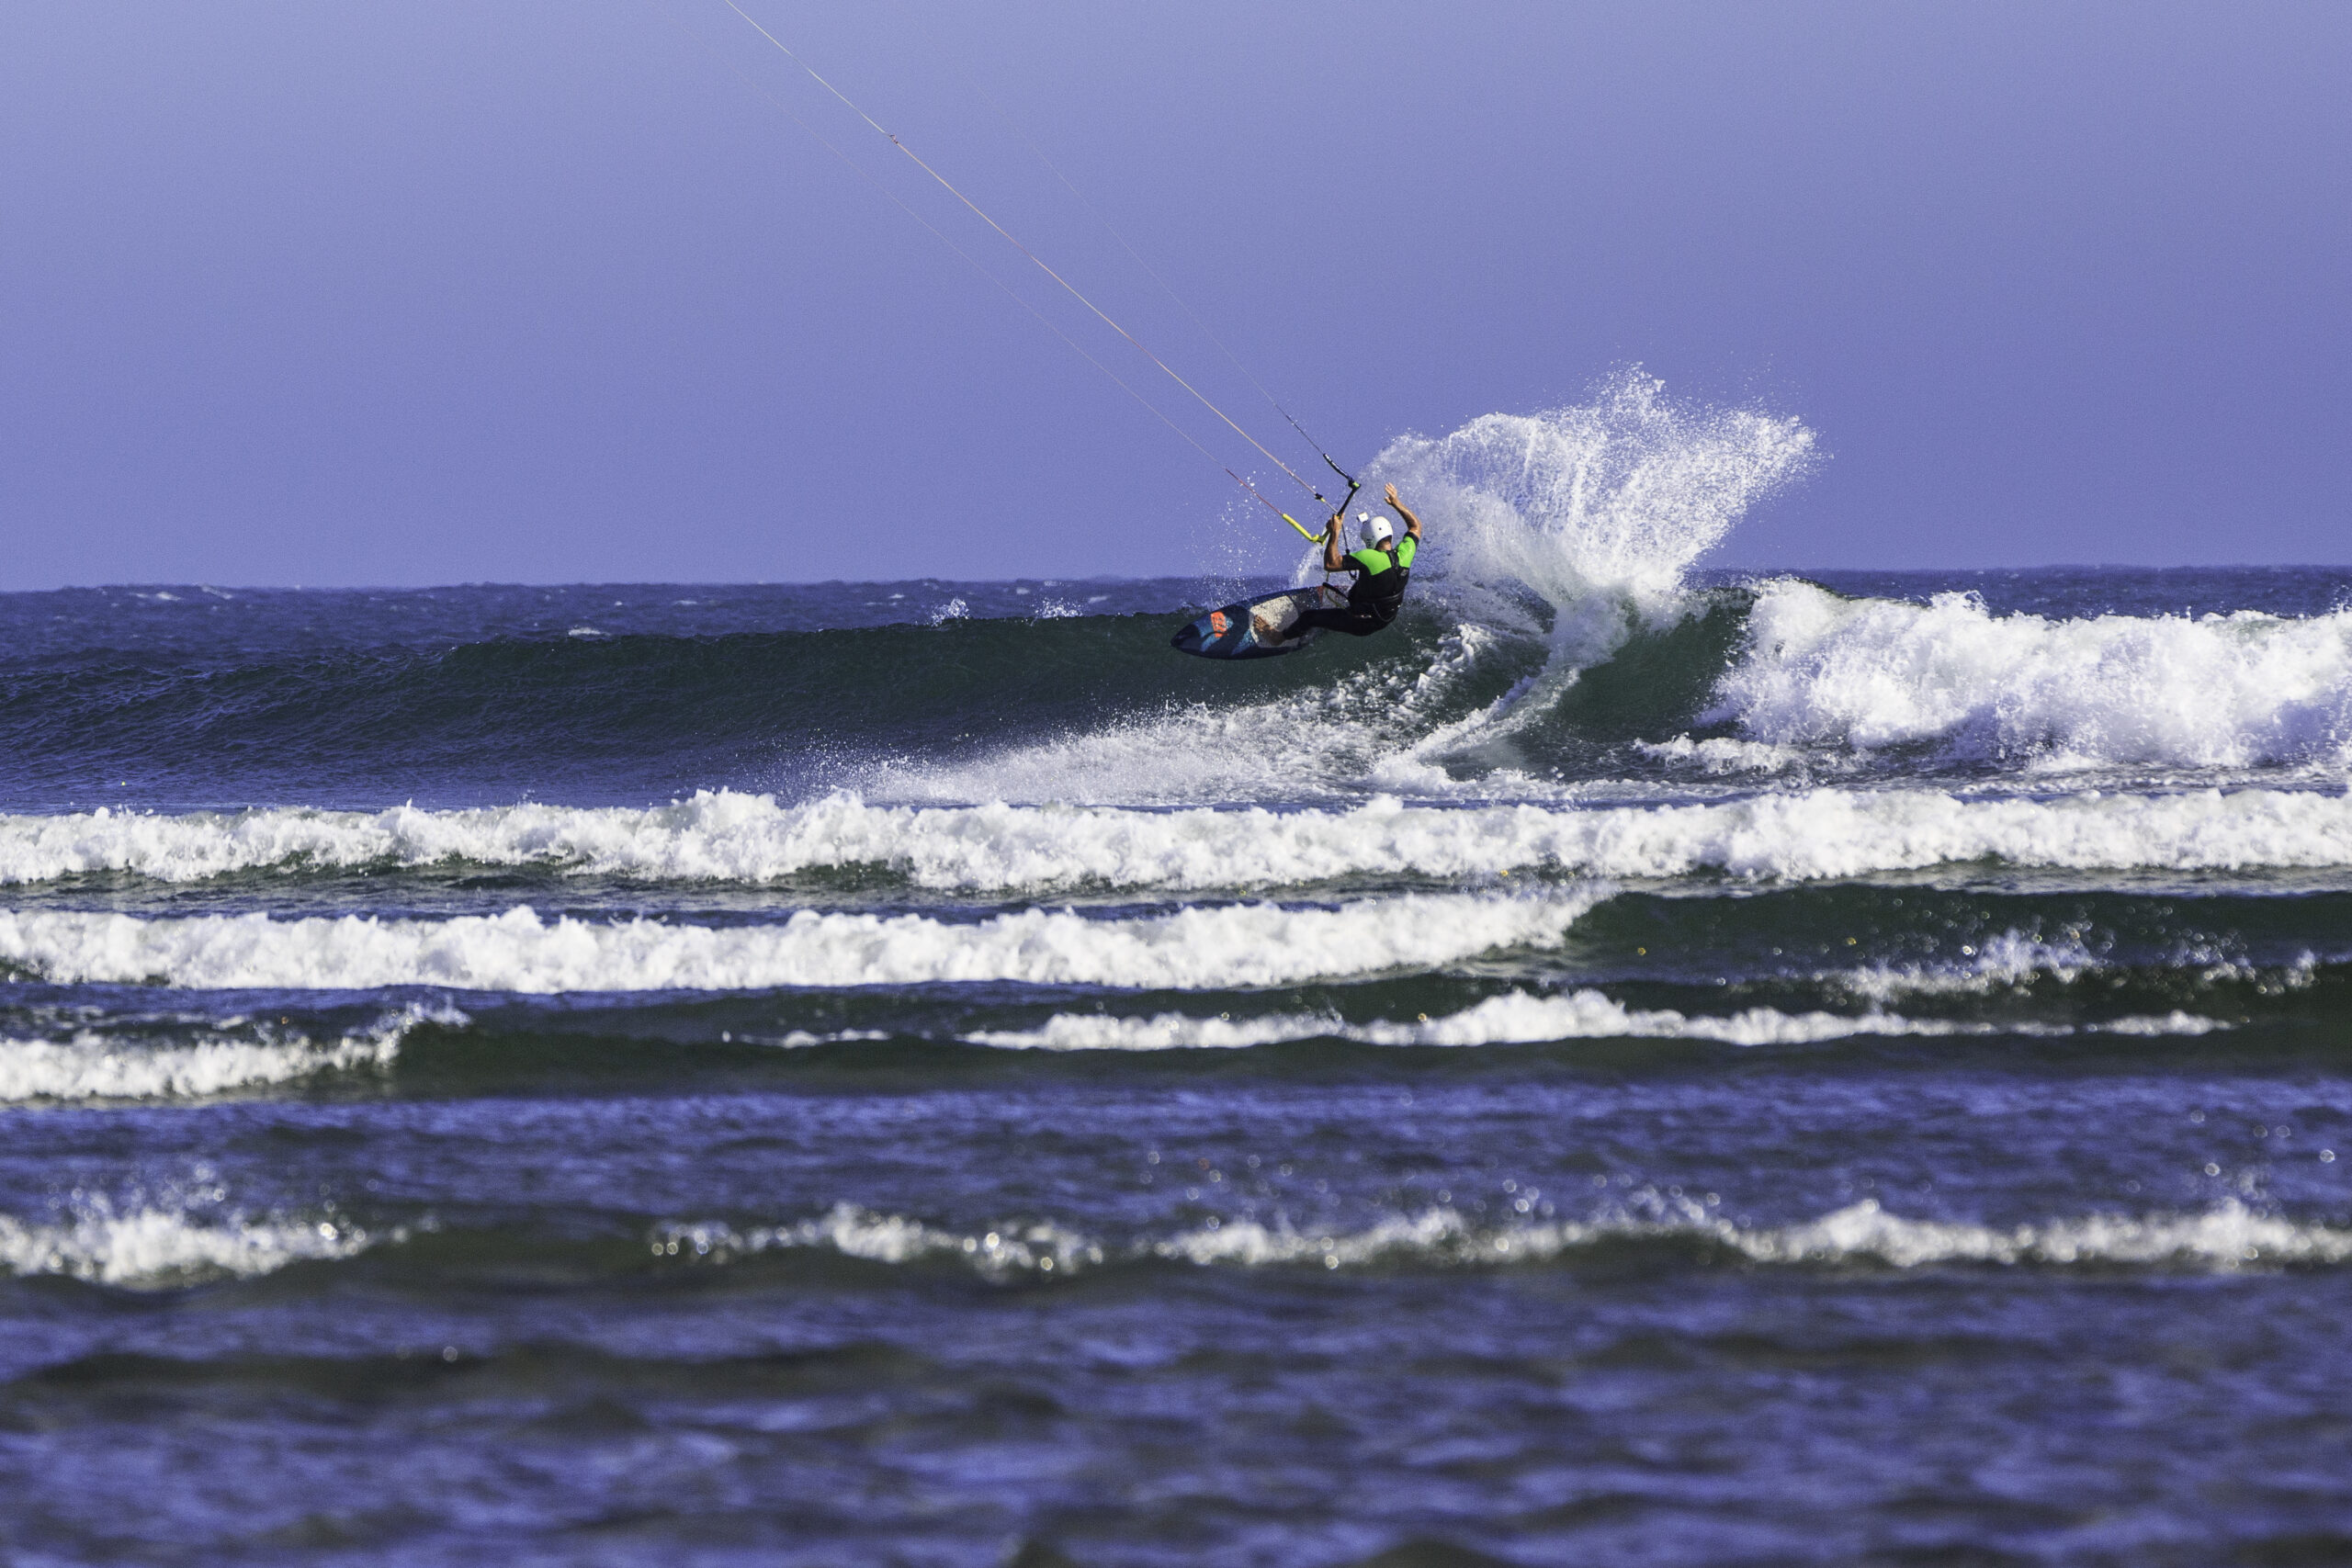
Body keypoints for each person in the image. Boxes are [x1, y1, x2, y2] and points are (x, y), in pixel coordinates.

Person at [1280, 481, 1423, 640]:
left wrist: (1335, 532)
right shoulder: (1405, 554)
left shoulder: (1370, 557)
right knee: (1361, 586)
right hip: (1386, 617)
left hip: (1361, 623)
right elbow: (1415, 526)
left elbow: (1330, 564)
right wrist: (1397, 503)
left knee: (1308, 617)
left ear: (1369, 539)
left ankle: (1279, 637)